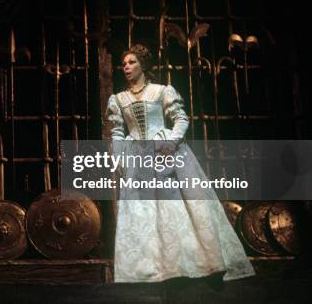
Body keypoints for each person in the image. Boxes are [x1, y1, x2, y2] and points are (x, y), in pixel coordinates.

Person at [106, 44, 255, 283]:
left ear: (143, 65)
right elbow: (116, 131)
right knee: (142, 213)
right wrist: (119, 155)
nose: (126, 67)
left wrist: (171, 143)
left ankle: (188, 264)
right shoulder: (118, 99)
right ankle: (151, 268)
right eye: (124, 63)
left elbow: (180, 119)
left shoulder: (161, 91)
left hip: (164, 152)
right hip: (136, 158)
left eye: (132, 62)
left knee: (174, 209)